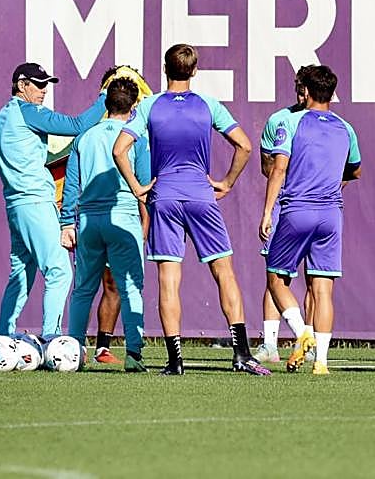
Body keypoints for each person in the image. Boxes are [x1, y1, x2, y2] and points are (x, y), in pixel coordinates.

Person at [114, 43, 268, 376]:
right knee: (224, 273)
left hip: (165, 196)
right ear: (194, 71)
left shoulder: (150, 105)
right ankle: (241, 354)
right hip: (201, 194)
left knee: (168, 280)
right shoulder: (209, 106)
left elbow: (119, 150)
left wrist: (137, 187)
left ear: (165, 69)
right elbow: (245, 145)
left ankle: (176, 361)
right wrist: (226, 181)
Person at [261, 65, 361, 376]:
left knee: (276, 279)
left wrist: (267, 212)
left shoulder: (291, 122)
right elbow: (355, 170)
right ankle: (321, 362)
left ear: (305, 92)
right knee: (323, 289)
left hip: (297, 210)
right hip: (331, 215)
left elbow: (278, 169)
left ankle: (301, 332)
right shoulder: (346, 128)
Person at [0, 62, 106, 338]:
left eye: (46, 84)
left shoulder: (2, 116)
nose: (44, 90)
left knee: (21, 273)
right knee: (59, 271)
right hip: (34, 202)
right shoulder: (26, 111)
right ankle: (51, 338)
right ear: (21, 86)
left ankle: (3, 336)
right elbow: (79, 125)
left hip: (17, 204)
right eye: (38, 84)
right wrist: (105, 96)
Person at [61, 76, 150, 372]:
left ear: (106, 104)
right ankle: (133, 355)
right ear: (134, 105)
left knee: (83, 289)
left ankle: (72, 353)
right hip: (123, 216)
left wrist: (67, 223)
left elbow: (71, 185)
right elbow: (144, 184)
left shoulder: (85, 137)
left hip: (88, 219)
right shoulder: (135, 137)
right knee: (131, 287)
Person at [255, 68, 314, 365]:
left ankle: (311, 340)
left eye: (304, 88)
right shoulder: (280, 120)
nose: (300, 94)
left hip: (315, 206)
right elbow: (269, 167)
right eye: (297, 88)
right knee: (275, 275)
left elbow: (343, 169)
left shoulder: (330, 124)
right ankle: (269, 345)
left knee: (316, 279)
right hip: (283, 205)